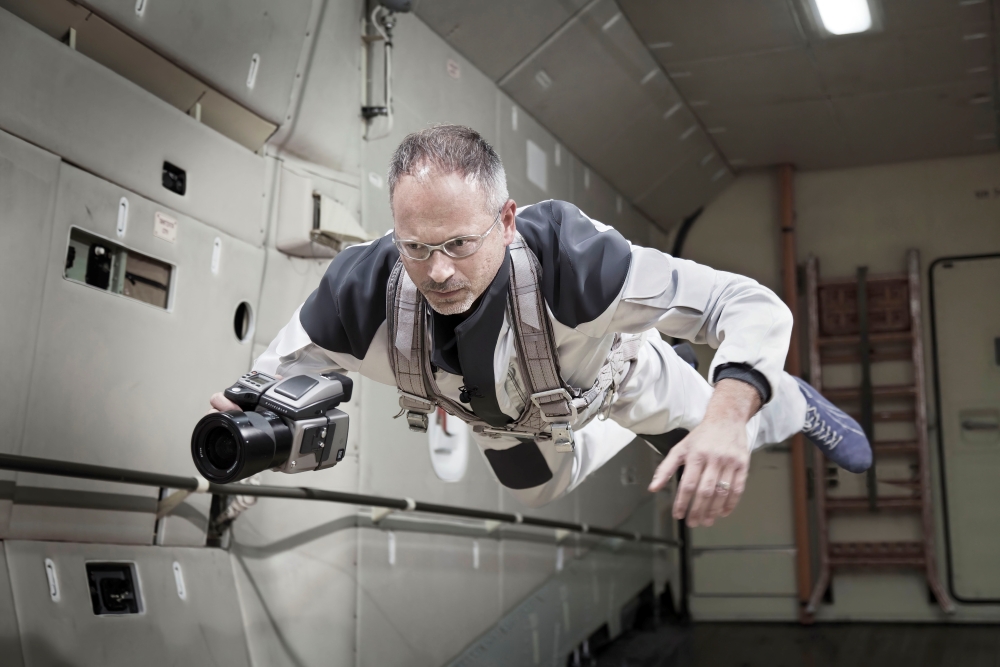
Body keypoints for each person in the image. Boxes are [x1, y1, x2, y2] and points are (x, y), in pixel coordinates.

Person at [210, 125, 871, 527]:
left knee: (722, 426)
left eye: (459, 244)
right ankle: (488, 410)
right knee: (538, 488)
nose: (437, 272)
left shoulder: (578, 264)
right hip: (505, 420)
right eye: (415, 247)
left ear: (505, 221)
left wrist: (727, 418)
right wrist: (249, 422)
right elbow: (274, 381)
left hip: (621, 380)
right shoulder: (357, 294)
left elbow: (751, 304)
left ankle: (791, 402)